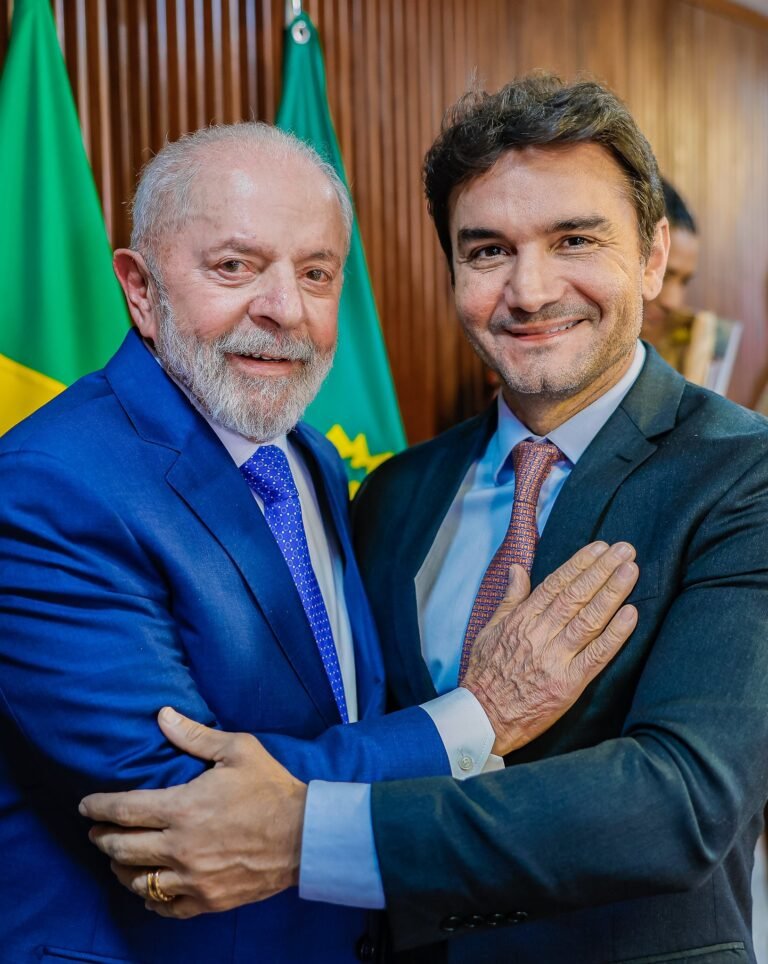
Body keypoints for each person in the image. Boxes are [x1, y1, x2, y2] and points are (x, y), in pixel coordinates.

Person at [83, 75, 768, 964]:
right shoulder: (394, 491)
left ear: (651, 256)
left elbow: (683, 804)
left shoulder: (742, 475)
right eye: (487, 251)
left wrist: (307, 834)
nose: (529, 290)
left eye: (574, 239)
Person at [0, 122, 638, 964]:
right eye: (235, 266)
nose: (285, 309)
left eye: (316, 273)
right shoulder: (47, 484)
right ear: (140, 288)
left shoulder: (310, 458)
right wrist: (477, 715)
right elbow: (185, 807)